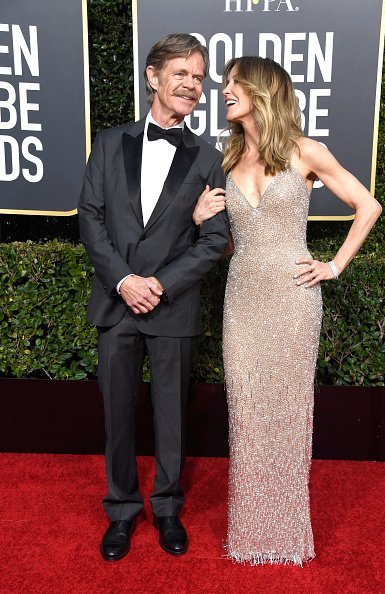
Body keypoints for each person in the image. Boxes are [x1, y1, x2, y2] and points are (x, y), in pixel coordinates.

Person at [193, 56, 381, 565]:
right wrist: (201, 221)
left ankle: (286, 535)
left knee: (289, 415)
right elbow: (232, 245)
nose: (224, 90)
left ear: (262, 89)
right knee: (247, 414)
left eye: (233, 83)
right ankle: (251, 534)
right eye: (225, 84)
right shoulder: (226, 162)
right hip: (243, 300)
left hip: (293, 301)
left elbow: (369, 206)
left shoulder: (306, 152)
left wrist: (334, 266)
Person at [78, 33, 228, 561]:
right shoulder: (108, 142)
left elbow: (214, 240)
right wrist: (125, 280)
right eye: (183, 73)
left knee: (172, 417)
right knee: (117, 417)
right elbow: (91, 219)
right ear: (153, 76)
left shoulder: (209, 159)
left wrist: (159, 284)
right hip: (117, 303)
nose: (192, 85)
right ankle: (121, 510)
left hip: (172, 306)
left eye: (200, 77)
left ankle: (166, 508)